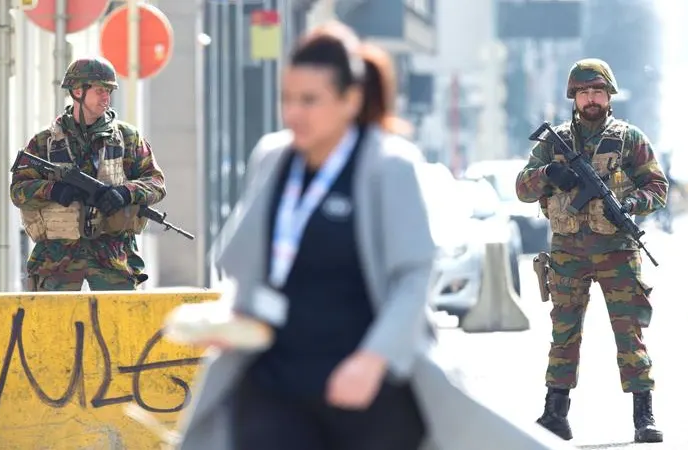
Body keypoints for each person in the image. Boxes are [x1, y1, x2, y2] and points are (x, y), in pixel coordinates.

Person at [169, 21, 575, 450]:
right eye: (287, 99)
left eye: (310, 100)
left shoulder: (388, 165)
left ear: (350, 100)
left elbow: (413, 278)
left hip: (368, 385)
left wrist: (372, 359)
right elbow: (250, 268)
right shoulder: (273, 158)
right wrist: (235, 318)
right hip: (275, 380)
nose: (294, 113)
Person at [516, 58, 668, 443]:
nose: (591, 99)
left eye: (598, 91)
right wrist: (548, 174)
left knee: (629, 332)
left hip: (617, 251)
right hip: (568, 252)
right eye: (584, 92)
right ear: (574, 97)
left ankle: (643, 416)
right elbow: (521, 187)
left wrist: (631, 205)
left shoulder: (629, 138)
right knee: (564, 334)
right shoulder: (554, 142)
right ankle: (555, 414)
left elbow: (657, 187)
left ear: (609, 95)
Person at [10, 56, 166, 291]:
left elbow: (156, 183)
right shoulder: (45, 141)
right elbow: (18, 191)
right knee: (51, 326)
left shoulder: (127, 138)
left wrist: (125, 193)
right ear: (77, 91)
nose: (107, 97)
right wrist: (53, 190)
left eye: (109, 91)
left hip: (112, 258)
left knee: (115, 324)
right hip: (55, 260)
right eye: (100, 90)